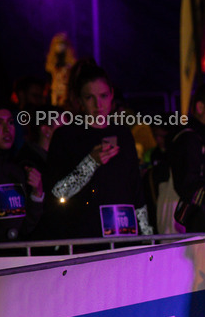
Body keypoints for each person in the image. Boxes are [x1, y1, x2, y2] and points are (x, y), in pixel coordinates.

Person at [38, 60, 150, 240]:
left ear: (112, 95)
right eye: (90, 97)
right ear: (79, 100)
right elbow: (58, 192)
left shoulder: (122, 134)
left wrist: (147, 236)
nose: (98, 104)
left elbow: (136, 190)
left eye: (103, 96)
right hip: (84, 240)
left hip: (124, 237)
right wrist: (91, 163)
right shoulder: (67, 136)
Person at [155, 83, 205, 233]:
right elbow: (188, 183)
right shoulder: (190, 138)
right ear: (200, 107)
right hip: (182, 213)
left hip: (189, 213)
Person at [0, 98, 44, 245]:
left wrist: (37, 195)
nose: (7, 129)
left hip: (16, 258)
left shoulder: (18, 170)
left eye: (11, 122)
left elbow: (25, 228)